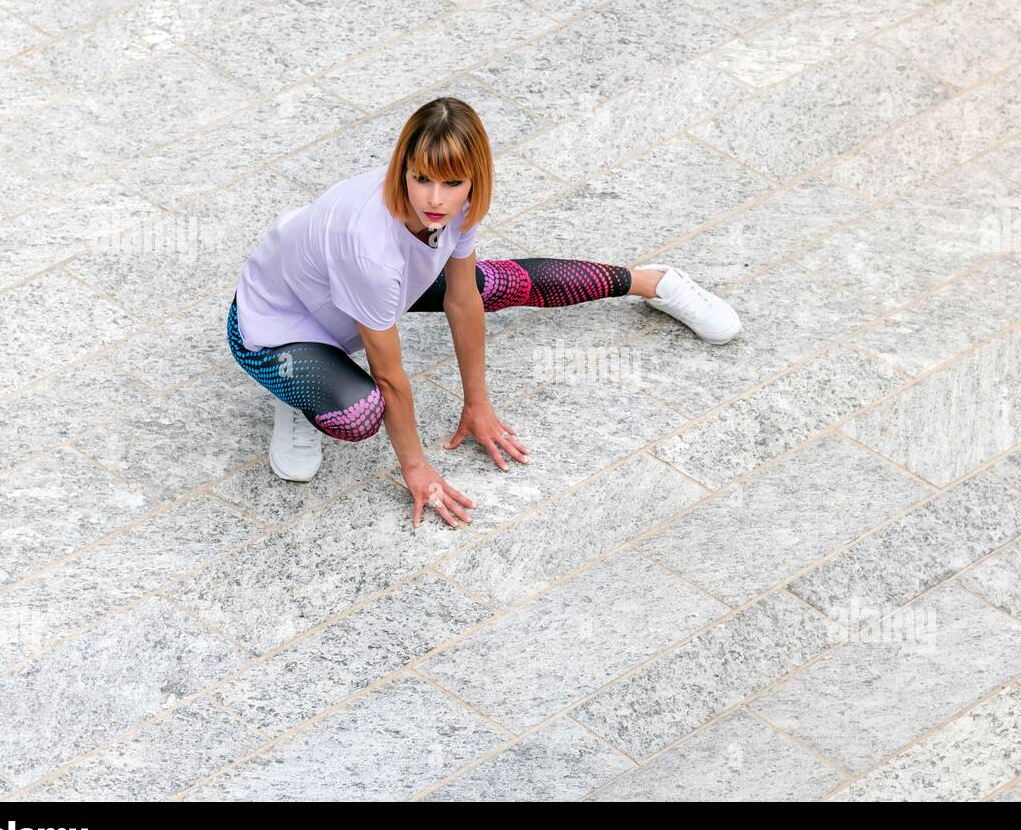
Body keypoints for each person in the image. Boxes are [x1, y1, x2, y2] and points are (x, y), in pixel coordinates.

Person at [228, 96, 740, 529]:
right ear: (400, 167)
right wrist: (418, 470)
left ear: (474, 179)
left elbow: (462, 298)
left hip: (379, 288)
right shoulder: (368, 248)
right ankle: (296, 392)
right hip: (277, 326)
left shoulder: (460, 204)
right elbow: (390, 377)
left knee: (496, 282)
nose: (435, 199)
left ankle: (653, 280)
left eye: (451, 183)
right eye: (421, 178)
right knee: (359, 413)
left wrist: (478, 403)